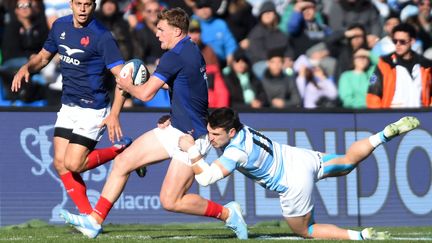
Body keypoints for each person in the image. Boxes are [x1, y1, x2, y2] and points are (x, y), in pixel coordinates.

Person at [59, 8, 248, 240]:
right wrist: (174, 111)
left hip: (191, 137)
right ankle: (94, 221)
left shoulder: (174, 56)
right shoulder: (190, 49)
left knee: (171, 201)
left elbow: (146, 95)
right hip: (176, 126)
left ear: (177, 31)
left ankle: (228, 213)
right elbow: (185, 87)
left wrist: (124, 83)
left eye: (161, 30)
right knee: (123, 162)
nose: (157, 34)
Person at [178, 107, 421, 240]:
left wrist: (191, 149)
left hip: (292, 181)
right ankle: (382, 136)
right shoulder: (240, 127)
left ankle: (362, 237)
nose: (211, 138)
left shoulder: (235, 152)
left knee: (306, 231)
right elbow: (214, 134)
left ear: (231, 133)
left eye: (215, 135)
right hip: (299, 157)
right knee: (347, 162)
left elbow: (206, 177)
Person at [11, 0, 131, 216]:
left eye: (87, 4)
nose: (83, 9)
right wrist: (27, 67)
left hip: (93, 108)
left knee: (74, 164)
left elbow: (123, 78)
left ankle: (122, 150)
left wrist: (114, 114)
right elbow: (43, 57)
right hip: (69, 105)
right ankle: (87, 218)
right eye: (79, 4)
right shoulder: (59, 26)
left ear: (94, 6)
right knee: (60, 163)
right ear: (71, 4)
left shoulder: (102, 36)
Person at [367, 23, 432, 108]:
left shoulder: (426, 65)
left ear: (412, 41)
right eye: (395, 41)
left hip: (419, 117)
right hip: (392, 117)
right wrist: (379, 118)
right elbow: (372, 94)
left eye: (402, 41)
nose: (397, 44)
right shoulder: (384, 64)